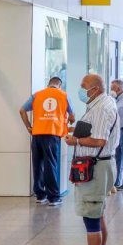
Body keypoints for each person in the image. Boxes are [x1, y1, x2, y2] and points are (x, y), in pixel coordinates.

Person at [64, 74, 119, 245]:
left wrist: (76, 141)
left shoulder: (102, 108)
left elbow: (99, 140)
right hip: (98, 165)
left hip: (96, 168)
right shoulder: (99, 103)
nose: (81, 89)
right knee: (96, 214)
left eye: (84, 86)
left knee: (91, 219)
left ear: (95, 88)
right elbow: (94, 131)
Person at [19, 76, 74, 206]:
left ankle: (40, 195)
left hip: (37, 134)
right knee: (51, 165)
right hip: (52, 134)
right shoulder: (64, 95)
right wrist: (69, 120)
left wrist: (28, 127)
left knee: (38, 165)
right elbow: (72, 116)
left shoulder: (37, 95)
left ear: (49, 84)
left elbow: (22, 110)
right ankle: (54, 198)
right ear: (60, 85)